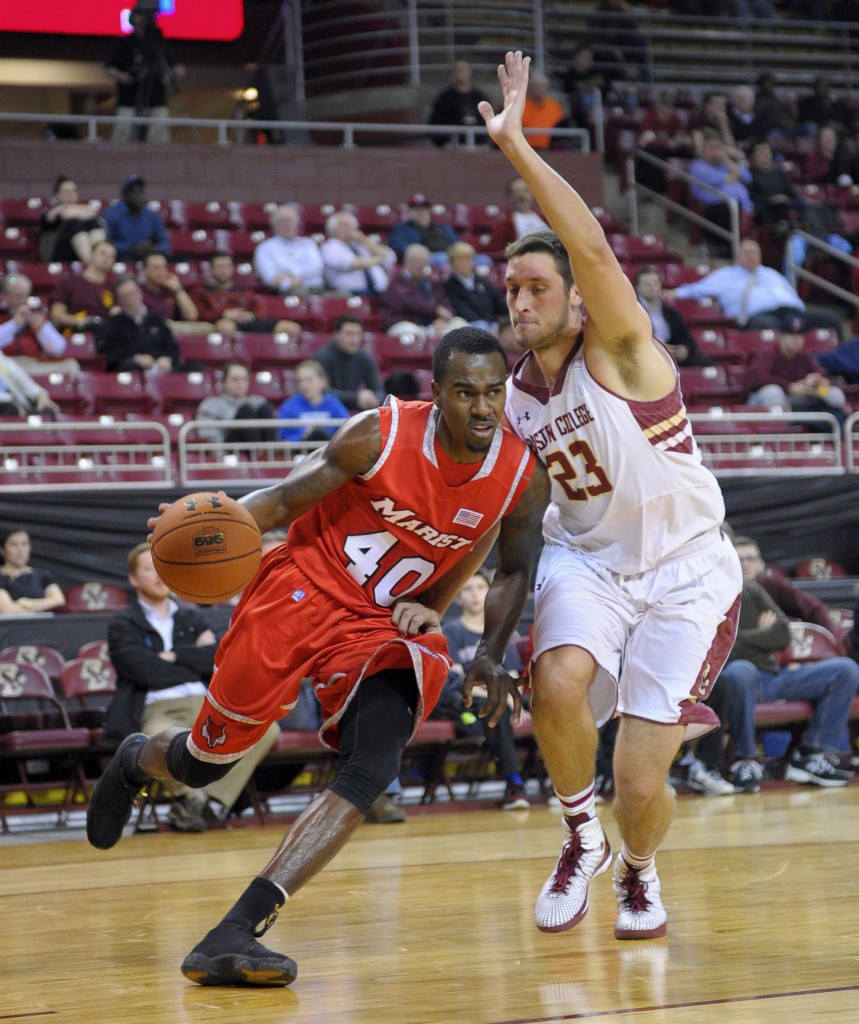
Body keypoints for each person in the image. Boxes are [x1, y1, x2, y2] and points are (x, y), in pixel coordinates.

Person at [85, 326, 551, 988]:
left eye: (493, 392)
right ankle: (138, 759)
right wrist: (205, 529)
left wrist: (484, 645)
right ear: (437, 393)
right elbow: (274, 504)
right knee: (202, 760)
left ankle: (236, 930)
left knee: (372, 762)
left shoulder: (520, 475)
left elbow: (509, 566)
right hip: (299, 592)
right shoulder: (376, 434)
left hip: (379, 624)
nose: (482, 407)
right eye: (465, 392)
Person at [478, 51, 742, 940]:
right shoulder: (513, 393)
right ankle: (577, 834)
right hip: (589, 559)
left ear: (577, 301)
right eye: (510, 288)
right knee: (553, 681)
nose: (519, 301)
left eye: (536, 287)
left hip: (682, 571)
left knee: (641, 783)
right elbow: (508, 521)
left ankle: (636, 865)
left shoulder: (620, 348)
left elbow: (588, 243)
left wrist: (516, 148)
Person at [103, 543, 280, 832]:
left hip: (204, 700)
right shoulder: (123, 622)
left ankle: (203, 800)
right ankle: (191, 798)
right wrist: (191, 658)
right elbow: (141, 669)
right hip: (158, 705)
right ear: (134, 579)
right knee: (154, 740)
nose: (159, 576)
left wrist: (174, 656)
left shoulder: (192, 616)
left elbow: (216, 658)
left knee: (266, 730)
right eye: (149, 569)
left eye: (163, 569)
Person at [721, 536, 858, 792]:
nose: (746, 565)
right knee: (741, 670)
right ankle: (746, 760)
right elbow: (723, 646)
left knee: (845, 669)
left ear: (761, 563)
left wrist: (746, 639)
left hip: (773, 677)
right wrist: (760, 637)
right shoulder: (715, 593)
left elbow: (783, 635)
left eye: (751, 559)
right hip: (735, 680)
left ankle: (812, 754)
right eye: (740, 560)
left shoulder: (759, 589)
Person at [439, 571, 529, 810]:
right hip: (469, 700)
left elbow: (512, 676)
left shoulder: (501, 633)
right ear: (458, 598)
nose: (475, 594)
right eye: (468, 589)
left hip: (502, 697)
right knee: (494, 710)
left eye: (480, 587)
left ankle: (561, 788)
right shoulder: (452, 632)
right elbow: (457, 680)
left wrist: (513, 701)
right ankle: (514, 783)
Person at [668, 237, 844, 336]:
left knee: (832, 319)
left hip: (792, 312)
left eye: (755, 253)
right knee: (772, 327)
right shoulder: (725, 275)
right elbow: (697, 289)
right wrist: (674, 293)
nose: (751, 256)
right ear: (738, 255)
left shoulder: (771, 273)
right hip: (760, 317)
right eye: (747, 252)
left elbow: (791, 293)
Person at [104, 5, 182, 143]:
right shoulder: (123, 44)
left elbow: (176, 65)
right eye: (138, 19)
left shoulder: (161, 44)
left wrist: (174, 72)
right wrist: (123, 76)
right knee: (124, 132)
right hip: (129, 97)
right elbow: (109, 67)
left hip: (156, 97)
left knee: (159, 131)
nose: (141, 24)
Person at [745, 327, 846, 423]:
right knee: (773, 392)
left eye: (800, 336)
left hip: (800, 396)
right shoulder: (768, 352)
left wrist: (820, 380)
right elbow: (757, 379)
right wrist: (789, 386)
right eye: (792, 335)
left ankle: (835, 429)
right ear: (782, 336)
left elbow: (822, 376)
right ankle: (779, 432)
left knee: (834, 393)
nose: (796, 340)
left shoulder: (804, 355)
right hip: (769, 399)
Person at [190, 252, 299, 339]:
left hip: (249, 322)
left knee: (291, 327)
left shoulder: (244, 290)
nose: (224, 270)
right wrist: (223, 314)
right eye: (219, 267)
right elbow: (201, 314)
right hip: (224, 321)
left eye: (227, 266)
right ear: (211, 270)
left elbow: (261, 309)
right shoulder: (201, 292)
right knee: (225, 327)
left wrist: (252, 316)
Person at [96, 273, 180, 374]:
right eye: (124, 296)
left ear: (140, 292)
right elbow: (110, 354)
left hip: (161, 369)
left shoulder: (156, 318)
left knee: (196, 368)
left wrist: (167, 358)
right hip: (131, 371)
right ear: (118, 300)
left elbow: (171, 345)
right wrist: (135, 359)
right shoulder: (113, 323)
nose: (130, 299)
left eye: (132, 293)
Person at [687, 132, 753, 255]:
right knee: (727, 209)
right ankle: (727, 249)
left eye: (720, 148)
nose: (717, 152)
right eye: (713, 148)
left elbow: (747, 178)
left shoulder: (725, 164)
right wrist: (734, 174)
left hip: (739, 206)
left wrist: (727, 160)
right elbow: (722, 179)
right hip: (711, 207)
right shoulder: (698, 166)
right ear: (703, 150)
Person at [380, 244, 463, 341]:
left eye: (423, 261)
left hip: (431, 323)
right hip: (404, 322)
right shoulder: (397, 280)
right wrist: (436, 310)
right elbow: (411, 304)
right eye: (415, 261)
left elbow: (444, 300)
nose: (419, 265)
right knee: (416, 334)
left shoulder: (431, 280)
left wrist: (443, 319)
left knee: (460, 325)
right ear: (406, 261)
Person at [634, 266, 711, 367]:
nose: (652, 287)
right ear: (637, 288)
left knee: (704, 361)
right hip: (647, 358)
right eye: (647, 284)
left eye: (655, 283)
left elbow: (686, 338)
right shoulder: (632, 312)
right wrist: (659, 348)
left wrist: (684, 349)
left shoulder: (671, 312)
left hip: (670, 357)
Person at [0, 273, 75, 374]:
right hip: (5, 365)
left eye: (26, 295)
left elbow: (58, 349)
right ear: (4, 296)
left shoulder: (35, 312)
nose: (23, 300)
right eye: (18, 296)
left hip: (33, 365)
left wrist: (41, 328)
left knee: (70, 365)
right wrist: (14, 323)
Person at [311, 315, 385, 412]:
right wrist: (355, 398)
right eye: (349, 334)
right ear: (337, 334)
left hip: (356, 410)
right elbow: (320, 392)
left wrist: (374, 399)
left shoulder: (365, 356)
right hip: (327, 412)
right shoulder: (322, 356)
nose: (354, 339)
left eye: (358, 334)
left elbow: (379, 390)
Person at [194, 359, 278, 445]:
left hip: (261, 446)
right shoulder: (210, 404)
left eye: (244, 379)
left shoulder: (259, 401)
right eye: (235, 379)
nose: (240, 383)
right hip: (230, 449)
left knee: (265, 409)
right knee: (245, 411)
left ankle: (270, 451)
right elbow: (210, 436)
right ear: (224, 381)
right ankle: (257, 452)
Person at [253, 204, 325, 295]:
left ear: (297, 223)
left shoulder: (309, 243)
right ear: (274, 225)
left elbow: (317, 267)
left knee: (341, 296)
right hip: (289, 291)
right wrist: (292, 281)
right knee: (299, 292)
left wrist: (290, 274)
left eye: (290, 220)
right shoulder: (265, 248)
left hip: (318, 289)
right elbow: (270, 277)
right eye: (282, 221)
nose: (286, 224)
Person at [444, 241, 511, 339]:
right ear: (452, 263)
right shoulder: (450, 284)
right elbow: (461, 309)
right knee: (481, 327)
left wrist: (505, 319)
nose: (464, 263)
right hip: (470, 325)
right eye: (459, 260)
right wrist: (487, 322)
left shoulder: (482, 281)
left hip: (491, 322)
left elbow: (498, 300)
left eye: (467, 259)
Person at [319, 211, 397, 295]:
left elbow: (390, 258)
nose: (349, 229)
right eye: (344, 226)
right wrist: (380, 258)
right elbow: (354, 264)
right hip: (350, 294)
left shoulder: (360, 245)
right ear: (332, 230)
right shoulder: (330, 247)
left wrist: (364, 240)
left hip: (379, 292)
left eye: (352, 225)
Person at [49, 240, 117, 333]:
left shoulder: (114, 287)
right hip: (75, 332)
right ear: (92, 254)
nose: (106, 258)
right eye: (102, 253)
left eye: (111, 256)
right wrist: (79, 321)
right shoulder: (69, 281)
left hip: (105, 336)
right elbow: (56, 314)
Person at [635, 89, 694, 195]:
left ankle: (686, 189)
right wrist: (663, 141)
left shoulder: (675, 117)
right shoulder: (650, 116)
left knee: (689, 152)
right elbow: (644, 139)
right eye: (664, 105)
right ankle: (655, 190)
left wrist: (677, 140)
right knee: (655, 154)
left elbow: (682, 134)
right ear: (658, 105)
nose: (666, 108)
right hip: (653, 149)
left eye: (669, 105)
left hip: (669, 147)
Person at [275, 359, 349, 443]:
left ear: (322, 381)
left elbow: (346, 432)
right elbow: (283, 437)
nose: (304, 385)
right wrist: (302, 437)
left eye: (309, 380)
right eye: (300, 381)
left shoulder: (334, 404)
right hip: (299, 453)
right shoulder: (289, 406)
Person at [37, 176, 106, 264]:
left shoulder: (81, 208)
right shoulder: (51, 213)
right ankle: (91, 262)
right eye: (66, 191)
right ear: (58, 194)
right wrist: (66, 209)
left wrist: (71, 209)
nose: (71, 194)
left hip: (77, 255)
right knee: (74, 223)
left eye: (74, 190)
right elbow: (65, 215)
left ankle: (99, 256)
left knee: (92, 222)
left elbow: (93, 213)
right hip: (56, 255)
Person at [0, 526, 66, 616]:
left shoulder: (43, 576)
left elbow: (59, 601)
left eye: (24, 544)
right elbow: (7, 610)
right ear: (3, 550)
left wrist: (26, 603)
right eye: (13, 544)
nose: (20, 550)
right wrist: (43, 606)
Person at [103, 176, 171, 261]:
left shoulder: (152, 215)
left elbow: (165, 244)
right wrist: (131, 248)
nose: (138, 196)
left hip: (147, 259)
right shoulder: (112, 214)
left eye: (141, 192)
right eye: (134, 192)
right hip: (121, 259)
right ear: (125, 195)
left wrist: (153, 249)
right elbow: (106, 243)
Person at [427, 59, 492, 148]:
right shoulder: (445, 98)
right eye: (457, 70)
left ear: (470, 72)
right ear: (453, 74)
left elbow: (490, 121)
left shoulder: (480, 97)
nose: (461, 73)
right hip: (453, 148)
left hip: (479, 146)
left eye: (464, 69)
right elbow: (434, 123)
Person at [484, 176, 550, 256]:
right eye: (516, 192)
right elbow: (494, 248)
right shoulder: (506, 223)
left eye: (525, 191)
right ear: (510, 197)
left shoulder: (546, 216)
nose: (521, 195)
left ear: (532, 194)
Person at [138, 251, 201, 332]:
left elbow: (192, 316)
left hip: (173, 333)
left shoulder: (171, 290)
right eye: (156, 268)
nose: (161, 271)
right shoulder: (139, 292)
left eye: (163, 267)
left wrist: (177, 288)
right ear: (145, 271)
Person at [388, 195, 459, 261]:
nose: (421, 213)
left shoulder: (442, 227)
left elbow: (457, 243)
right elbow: (397, 245)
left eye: (424, 209)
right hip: (422, 259)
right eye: (417, 209)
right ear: (409, 212)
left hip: (448, 256)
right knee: (442, 258)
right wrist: (419, 252)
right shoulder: (401, 229)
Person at [0, 350, 61, 423]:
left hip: (16, 404)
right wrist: (10, 400)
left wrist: (39, 394)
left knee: (47, 411)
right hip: (6, 405)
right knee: (10, 408)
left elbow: (19, 377)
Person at [522, 71, 566, 150]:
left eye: (541, 86)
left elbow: (561, 127)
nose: (538, 89)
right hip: (526, 149)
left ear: (546, 88)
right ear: (529, 87)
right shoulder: (520, 105)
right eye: (535, 86)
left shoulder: (554, 106)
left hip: (551, 150)